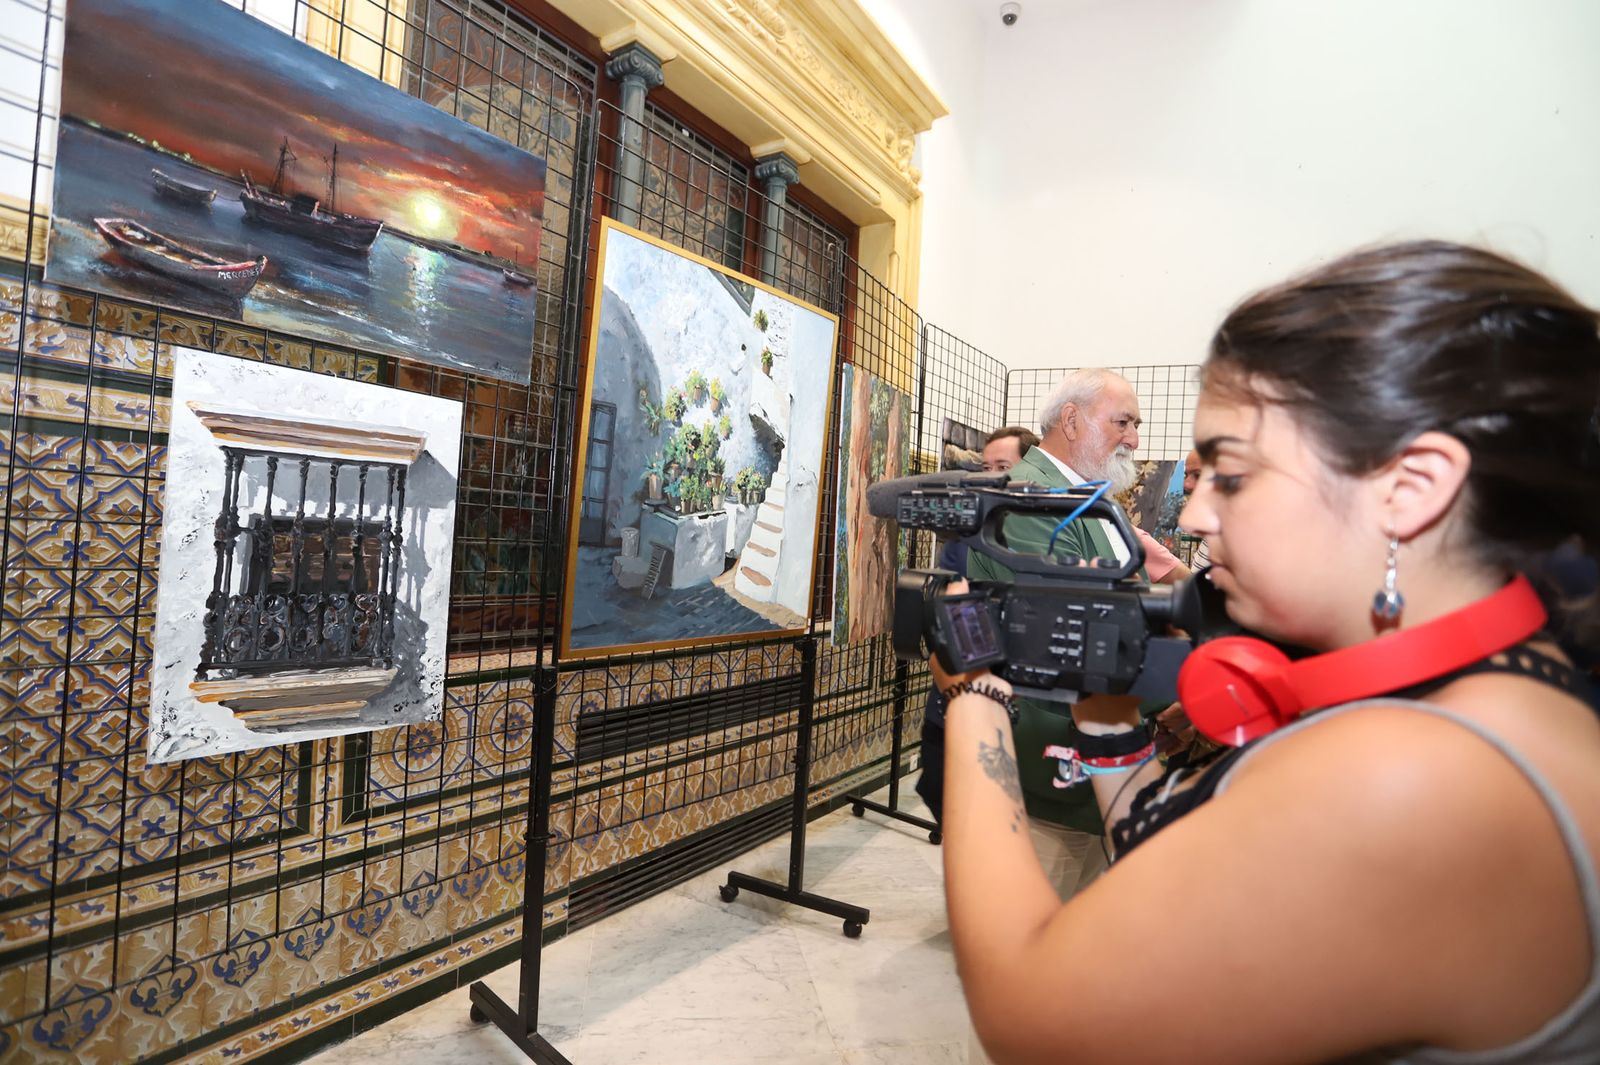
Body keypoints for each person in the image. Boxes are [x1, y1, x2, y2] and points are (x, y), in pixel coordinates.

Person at [936, 241, 1600, 1064]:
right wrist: (1109, 721)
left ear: (1412, 486)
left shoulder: (1417, 774)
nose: (1199, 513)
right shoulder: (1492, 693)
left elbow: (1026, 1014)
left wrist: (974, 696)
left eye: (1234, 475)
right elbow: (1178, 857)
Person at [916, 425, 1041, 824]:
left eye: (1002, 466)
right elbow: (946, 616)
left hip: (1023, 718)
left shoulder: (1046, 539)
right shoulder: (963, 540)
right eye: (985, 468)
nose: (991, 478)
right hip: (955, 702)